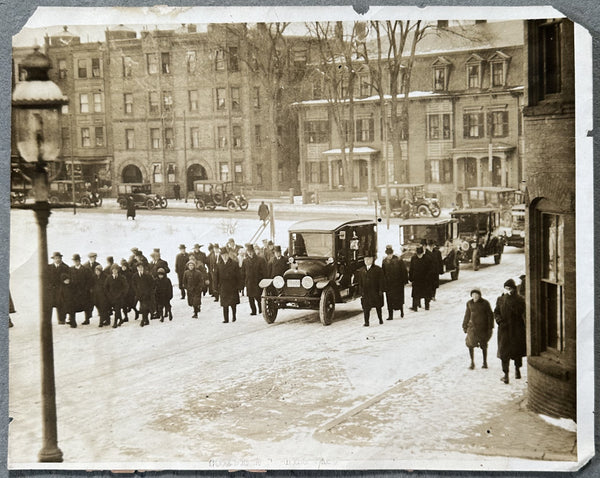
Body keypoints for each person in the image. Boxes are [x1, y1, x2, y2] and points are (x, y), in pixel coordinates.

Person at [494, 278, 527, 384]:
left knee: (516, 352)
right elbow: (496, 312)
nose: (507, 290)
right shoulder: (500, 299)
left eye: (509, 288)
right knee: (504, 353)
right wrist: (499, 321)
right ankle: (506, 374)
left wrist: (511, 301)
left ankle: (517, 370)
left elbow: (520, 311)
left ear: (514, 289)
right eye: (506, 288)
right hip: (504, 330)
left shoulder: (520, 299)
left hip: (516, 329)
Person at [462, 288, 494, 370]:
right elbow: (467, 314)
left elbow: (490, 315)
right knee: (470, 344)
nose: (475, 296)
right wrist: (464, 325)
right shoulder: (469, 303)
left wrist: (490, 327)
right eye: (473, 295)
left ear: (479, 295)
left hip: (483, 328)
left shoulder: (485, 303)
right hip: (472, 328)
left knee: (483, 345)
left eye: (477, 294)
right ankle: (472, 362)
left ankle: (485, 362)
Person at [381, 245, 408, 320]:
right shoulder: (384, 261)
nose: (389, 256)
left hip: (398, 283)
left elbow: (403, 271)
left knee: (399, 298)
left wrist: (405, 280)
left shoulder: (398, 260)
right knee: (389, 300)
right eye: (388, 254)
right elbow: (382, 273)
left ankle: (401, 311)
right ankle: (390, 315)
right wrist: (383, 284)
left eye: (390, 254)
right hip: (389, 284)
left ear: (392, 253)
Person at [216, 246, 241, 323]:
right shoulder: (218, 265)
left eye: (226, 255)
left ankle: (234, 316)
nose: (225, 257)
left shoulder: (234, 263)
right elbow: (216, 277)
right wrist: (216, 287)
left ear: (228, 254)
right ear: (221, 256)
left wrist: (239, 286)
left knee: (233, 303)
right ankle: (226, 319)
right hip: (223, 287)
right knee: (224, 304)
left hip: (232, 286)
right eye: (223, 255)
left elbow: (239, 276)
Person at [357, 254, 384, 326]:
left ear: (372, 260)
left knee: (378, 307)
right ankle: (366, 322)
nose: (367, 261)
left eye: (369, 259)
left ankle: (380, 319)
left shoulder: (378, 269)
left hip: (375, 291)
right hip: (366, 292)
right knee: (366, 308)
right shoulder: (362, 270)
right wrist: (361, 291)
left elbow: (381, 281)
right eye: (365, 260)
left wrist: (381, 290)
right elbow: (360, 282)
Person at [241, 243, 267, 316]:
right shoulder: (245, 261)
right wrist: (243, 283)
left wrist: (264, 281)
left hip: (258, 282)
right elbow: (243, 272)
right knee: (250, 298)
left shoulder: (260, 260)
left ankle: (260, 309)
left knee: (258, 297)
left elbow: (265, 272)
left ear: (254, 251)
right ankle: (253, 311)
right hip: (249, 282)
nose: (250, 253)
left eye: (251, 251)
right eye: (248, 251)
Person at [70, 253, 93, 325]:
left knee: (86, 306)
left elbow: (89, 281)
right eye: (74, 261)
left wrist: (86, 289)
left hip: (84, 291)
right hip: (74, 292)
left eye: (77, 260)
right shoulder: (71, 269)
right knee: (73, 306)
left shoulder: (86, 269)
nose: (76, 262)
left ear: (79, 261)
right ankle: (73, 321)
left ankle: (87, 319)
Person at [47, 251, 70, 325]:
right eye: (56, 258)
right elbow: (46, 279)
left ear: (61, 258)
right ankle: (48, 321)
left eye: (59, 258)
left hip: (61, 289)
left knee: (61, 304)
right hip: (52, 290)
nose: (57, 259)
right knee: (49, 305)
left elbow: (68, 279)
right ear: (53, 259)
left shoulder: (65, 267)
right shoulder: (49, 267)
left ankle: (61, 320)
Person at [409, 246, 433, 312]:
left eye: (420, 254)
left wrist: (428, 277)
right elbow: (411, 269)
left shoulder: (428, 259)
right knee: (415, 294)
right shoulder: (413, 258)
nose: (419, 256)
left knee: (426, 294)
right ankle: (415, 307)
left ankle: (427, 306)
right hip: (416, 279)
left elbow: (431, 269)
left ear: (423, 253)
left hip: (425, 280)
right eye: (418, 254)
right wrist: (410, 277)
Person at [132, 262, 155, 327]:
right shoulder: (135, 276)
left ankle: (143, 320)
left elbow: (152, 284)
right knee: (143, 307)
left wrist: (149, 292)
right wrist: (137, 292)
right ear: (137, 268)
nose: (140, 268)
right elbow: (133, 285)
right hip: (140, 295)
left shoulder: (147, 275)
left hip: (147, 294)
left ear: (143, 268)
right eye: (139, 267)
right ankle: (146, 320)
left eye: (141, 267)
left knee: (144, 307)